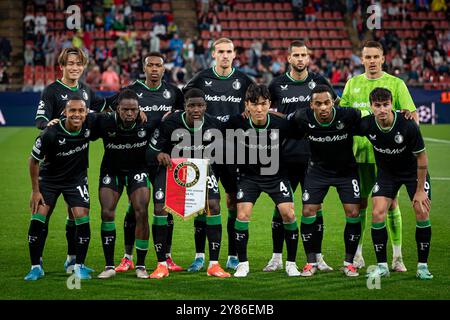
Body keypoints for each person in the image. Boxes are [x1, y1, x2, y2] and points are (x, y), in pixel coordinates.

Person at [340, 40, 418, 272]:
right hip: (360, 155)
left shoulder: (396, 84)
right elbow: (344, 115)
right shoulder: (352, 84)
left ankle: (397, 257)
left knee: (391, 204)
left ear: (383, 58)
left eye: (376, 57)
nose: (372, 61)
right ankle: (358, 255)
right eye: (368, 57)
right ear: (361, 59)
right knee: (360, 205)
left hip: (389, 157)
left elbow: (412, 116)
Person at [106, 52, 184, 274]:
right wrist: (134, 111)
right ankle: (127, 257)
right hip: (137, 157)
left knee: (164, 207)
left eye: (158, 65)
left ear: (163, 68)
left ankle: (166, 257)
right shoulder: (133, 91)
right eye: (150, 65)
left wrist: (175, 115)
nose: (154, 69)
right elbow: (112, 110)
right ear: (144, 67)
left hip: (163, 158)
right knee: (135, 207)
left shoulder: (173, 92)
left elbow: (184, 113)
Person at [264, 40, 335, 273]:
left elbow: (334, 108)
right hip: (284, 155)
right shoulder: (277, 84)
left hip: (314, 156)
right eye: (296, 55)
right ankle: (276, 257)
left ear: (309, 57)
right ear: (288, 58)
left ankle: (318, 257)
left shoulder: (319, 82)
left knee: (315, 207)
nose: (301, 59)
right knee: (281, 207)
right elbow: (264, 109)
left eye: (304, 55)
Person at [183, 38, 254, 272]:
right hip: (204, 150)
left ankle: (233, 255)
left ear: (234, 55)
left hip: (234, 150)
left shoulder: (244, 81)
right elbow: (184, 102)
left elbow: (256, 105)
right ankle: (200, 256)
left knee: (233, 201)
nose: (225, 55)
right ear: (213, 54)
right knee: (202, 204)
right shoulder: (201, 79)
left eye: (229, 51)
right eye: (220, 51)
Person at [33, 47, 105, 274]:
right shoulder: (52, 91)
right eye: (70, 64)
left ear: (83, 67)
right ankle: (37, 262)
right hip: (54, 162)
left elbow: (105, 107)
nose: (75, 68)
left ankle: (72, 259)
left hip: (77, 166)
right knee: (45, 214)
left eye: (79, 64)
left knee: (75, 214)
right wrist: (50, 125)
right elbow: (41, 119)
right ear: (62, 66)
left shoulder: (86, 90)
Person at [146, 88, 230, 278]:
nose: (195, 109)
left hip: (200, 170)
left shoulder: (213, 124)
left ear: (205, 107)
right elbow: (149, 152)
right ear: (184, 107)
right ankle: (161, 265)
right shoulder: (170, 124)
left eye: (200, 105)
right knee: (160, 208)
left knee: (214, 206)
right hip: (171, 170)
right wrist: (159, 154)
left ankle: (214, 264)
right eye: (191, 105)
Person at [225, 84, 302, 278]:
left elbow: (303, 127)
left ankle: (291, 264)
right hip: (248, 177)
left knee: (289, 214)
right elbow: (210, 128)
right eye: (254, 104)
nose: (259, 109)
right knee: (242, 215)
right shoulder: (236, 122)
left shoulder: (281, 124)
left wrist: (282, 116)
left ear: (270, 104)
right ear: (246, 105)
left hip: (276, 176)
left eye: (263, 104)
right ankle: (243, 264)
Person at [358, 88, 432, 280]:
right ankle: (382, 266)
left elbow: (422, 159)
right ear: (371, 106)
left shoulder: (407, 125)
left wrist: (420, 191)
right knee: (377, 212)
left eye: (386, 105)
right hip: (387, 174)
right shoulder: (366, 124)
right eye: (377, 106)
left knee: (421, 210)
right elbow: (345, 122)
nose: (382, 110)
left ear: (392, 104)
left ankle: (422, 267)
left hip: (413, 173)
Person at [289, 84, 362, 277]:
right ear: (311, 105)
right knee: (307, 210)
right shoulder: (301, 116)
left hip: (346, 172)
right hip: (317, 171)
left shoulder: (348, 115)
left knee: (353, 212)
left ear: (333, 103)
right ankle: (311, 262)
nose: (323, 107)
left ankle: (349, 263)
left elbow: (369, 118)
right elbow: (282, 120)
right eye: (318, 103)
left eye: (327, 103)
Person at [25, 97, 95, 281]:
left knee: (82, 217)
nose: (77, 114)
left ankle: (77, 265)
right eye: (72, 111)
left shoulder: (90, 126)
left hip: (76, 180)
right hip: (49, 180)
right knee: (39, 217)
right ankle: (35, 266)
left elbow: (115, 115)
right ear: (64, 112)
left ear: (86, 112)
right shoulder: (50, 133)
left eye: (81, 111)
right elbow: (33, 160)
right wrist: (35, 191)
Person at [95, 89, 159, 279]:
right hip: (111, 171)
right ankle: (109, 267)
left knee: (141, 211)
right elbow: (84, 115)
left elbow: (169, 126)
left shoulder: (148, 123)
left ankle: (140, 265)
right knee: (107, 212)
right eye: (125, 110)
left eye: (134, 110)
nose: (130, 114)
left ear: (140, 109)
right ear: (117, 109)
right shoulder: (104, 122)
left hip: (137, 171)